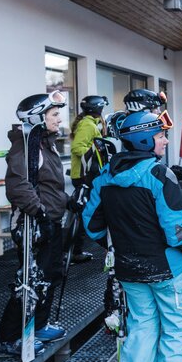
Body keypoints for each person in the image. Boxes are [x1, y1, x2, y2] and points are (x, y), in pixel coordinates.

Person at [83, 109, 182, 362]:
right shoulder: (159, 175)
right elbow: (176, 231)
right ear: (144, 138)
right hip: (168, 269)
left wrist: (124, 243)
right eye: (160, 134)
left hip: (129, 269)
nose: (165, 139)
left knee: (142, 330)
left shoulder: (105, 177)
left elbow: (92, 227)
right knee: (179, 330)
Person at [0, 92, 69, 356]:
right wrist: (39, 215)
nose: (59, 119)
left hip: (50, 221)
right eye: (53, 114)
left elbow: (48, 184)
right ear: (37, 118)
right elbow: (18, 187)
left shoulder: (44, 144)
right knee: (29, 278)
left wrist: (67, 201)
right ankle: (9, 336)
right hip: (33, 225)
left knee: (49, 276)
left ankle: (37, 325)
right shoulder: (24, 148)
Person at [68, 95, 108, 263]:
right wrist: (96, 151)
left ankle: (74, 251)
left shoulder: (89, 123)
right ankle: (74, 252)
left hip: (84, 175)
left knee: (82, 212)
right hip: (84, 176)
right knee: (83, 213)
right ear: (98, 108)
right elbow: (77, 147)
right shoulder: (88, 124)